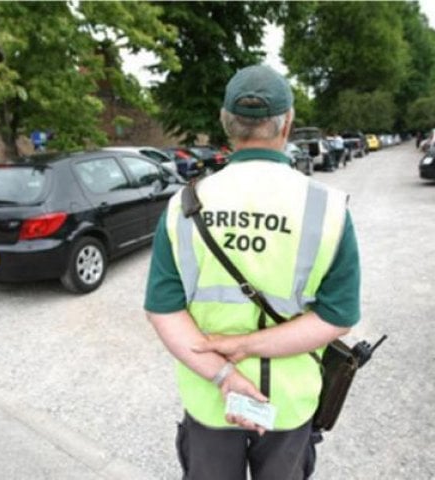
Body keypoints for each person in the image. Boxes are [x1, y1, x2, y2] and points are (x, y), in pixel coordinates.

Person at [144, 64, 361, 480]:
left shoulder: (184, 204)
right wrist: (249, 345)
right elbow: (338, 315)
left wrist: (225, 372)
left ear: (227, 125)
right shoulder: (327, 207)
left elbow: (163, 310)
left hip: (210, 398)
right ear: (288, 124)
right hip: (289, 400)